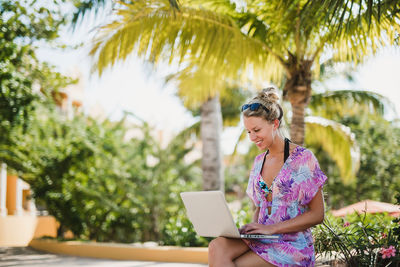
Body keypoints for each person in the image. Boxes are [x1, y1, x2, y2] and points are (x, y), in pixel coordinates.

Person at [208, 87, 327, 267]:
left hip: (292, 245)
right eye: (248, 132)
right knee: (217, 246)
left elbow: (318, 214)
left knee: (237, 264)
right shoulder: (258, 162)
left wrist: (272, 228)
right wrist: (252, 228)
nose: (252, 137)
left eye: (256, 130)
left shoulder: (303, 159)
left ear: (275, 124)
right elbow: (261, 206)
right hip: (263, 238)